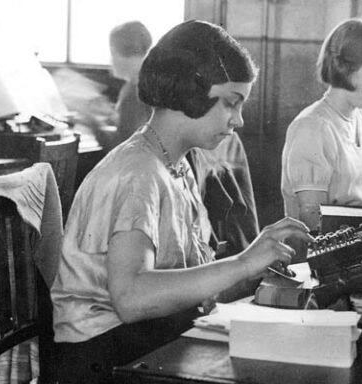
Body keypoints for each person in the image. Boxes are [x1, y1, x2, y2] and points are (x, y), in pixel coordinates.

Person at [50, 20, 311, 384]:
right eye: (231, 104)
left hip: (140, 340)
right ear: (190, 92)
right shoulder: (137, 173)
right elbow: (131, 298)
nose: (239, 120)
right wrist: (242, 263)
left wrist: (256, 267)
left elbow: (183, 277)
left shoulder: (174, 163)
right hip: (102, 357)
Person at [280, 18, 362, 233]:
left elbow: (352, 205)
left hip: (354, 247)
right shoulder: (313, 127)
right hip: (315, 258)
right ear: (343, 69)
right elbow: (313, 225)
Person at [107, 20, 153, 148]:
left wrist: (92, 122)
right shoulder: (151, 80)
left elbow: (125, 145)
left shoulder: (133, 90)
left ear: (115, 51)